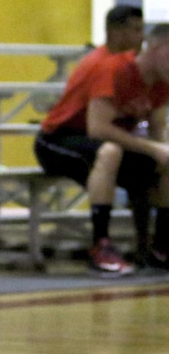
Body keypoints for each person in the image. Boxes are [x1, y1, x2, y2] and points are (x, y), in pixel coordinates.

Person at [35, 23, 169, 276]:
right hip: (58, 140)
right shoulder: (113, 69)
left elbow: (157, 130)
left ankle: (160, 248)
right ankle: (100, 247)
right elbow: (98, 129)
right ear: (158, 48)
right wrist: (153, 148)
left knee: (162, 163)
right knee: (109, 152)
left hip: (104, 143)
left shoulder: (162, 82)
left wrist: (159, 152)